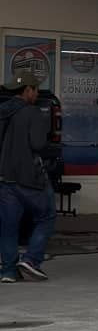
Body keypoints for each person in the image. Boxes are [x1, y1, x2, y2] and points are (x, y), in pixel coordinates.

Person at [0, 83, 56, 283]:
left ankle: (7, 271)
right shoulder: (31, 112)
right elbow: (38, 144)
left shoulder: (3, 112)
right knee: (47, 216)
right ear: (27, 90)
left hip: (5, 177)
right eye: (35, 90)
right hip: (29, 177)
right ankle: (31, 260)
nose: (37, 94)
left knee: (8, 226)